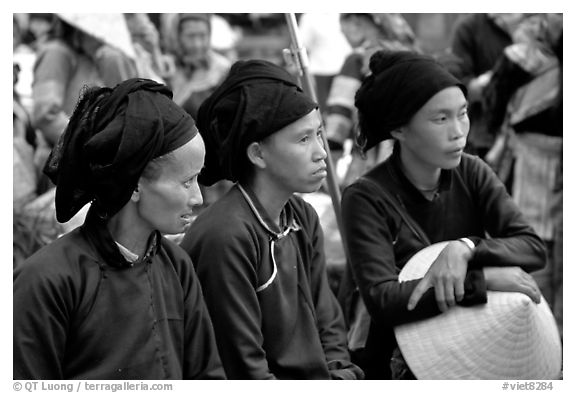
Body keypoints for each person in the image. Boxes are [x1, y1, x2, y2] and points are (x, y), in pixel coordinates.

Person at [337, 50, 547, 379]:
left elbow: (531, 246)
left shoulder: (472, 171)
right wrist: (483, 280)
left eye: (462, 113)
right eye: (440, 119)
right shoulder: (365, 197)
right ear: (399, 129)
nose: (458, 131)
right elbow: (384, 299)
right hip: (392, 358)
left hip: (469, 343)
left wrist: (466, 247)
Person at [13, 78, 225, 380]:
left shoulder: (178, 268)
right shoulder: (47, 281)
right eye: (186, 182)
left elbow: (208, 376)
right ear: (135, 184)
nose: (198, 198)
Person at [180, 60, 363, 380]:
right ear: (258, 154)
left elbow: (328, 321)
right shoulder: (226, 236)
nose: (321, 152)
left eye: (319, 134)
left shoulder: (301, 217)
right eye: (303, 139)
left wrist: (341, 373)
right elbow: (244, 365)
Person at [325, 13, 417, 188]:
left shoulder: (358, 60)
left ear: (355, 24)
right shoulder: (412, 55)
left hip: (370, 162)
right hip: (412, 157)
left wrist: (330, 164)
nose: (343, 35)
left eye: (342, 30)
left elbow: (339, 117)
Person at [31, 13, 139, 147]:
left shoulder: (87, 55)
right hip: (65, 160)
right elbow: (45, 115)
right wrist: (89, 143)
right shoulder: (56, 53)